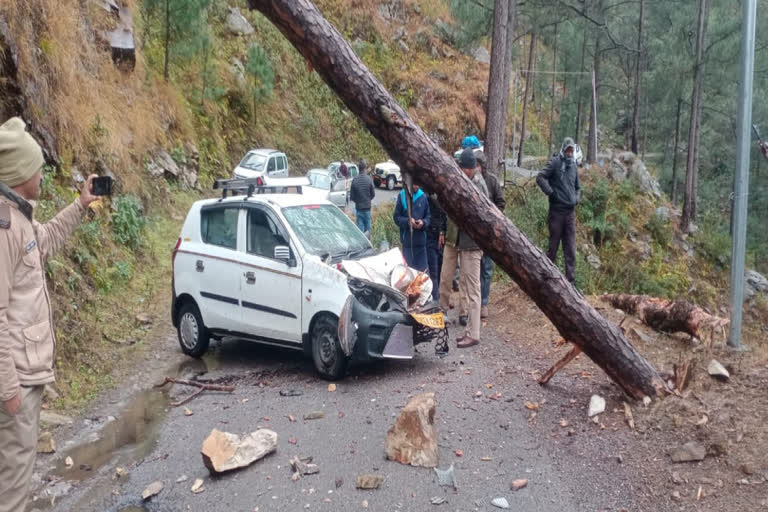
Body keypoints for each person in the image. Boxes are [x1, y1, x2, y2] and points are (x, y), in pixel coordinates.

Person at [0, 117, 99, 512]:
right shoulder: (5, 230)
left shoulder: (20, 217)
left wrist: (80, 205)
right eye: (37, 167)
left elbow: (46, 241)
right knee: (14, 483)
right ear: (20, 174)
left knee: (15, 473)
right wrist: (8, 388)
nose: (42, 174)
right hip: (16, 381)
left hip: (25, 374)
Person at [439, 148, 488, 348]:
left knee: (472, 289)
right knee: (465, 284)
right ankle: (469, 331)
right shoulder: (467, 181)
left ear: (469, 168)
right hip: (461, 240)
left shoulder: (479, 185)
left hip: (472, 243)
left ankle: (474, 333)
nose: (458, 168)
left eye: (461, 166)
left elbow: (482, 215)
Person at [536, 137, 581, 284]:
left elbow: (577, 187)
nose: (569, 153)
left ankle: (571, 284)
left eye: (571, 150)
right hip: (556, 213)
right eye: (567, 150)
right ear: (563, 149)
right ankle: (548, 281)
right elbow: (540, 177)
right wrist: (551, 192)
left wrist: (576, 198)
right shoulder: (555, 162)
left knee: (570, 250)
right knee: (553, 248)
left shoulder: (573, 166)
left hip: (570, 214)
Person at [475, 151, 506, 319]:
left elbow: (501, 202)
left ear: (482, 166)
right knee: (474, 271)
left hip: (489, 234)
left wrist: (494, 217)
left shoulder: (492, 181)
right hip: (474, 234)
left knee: (487, 270)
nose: (476, 168)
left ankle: (484, 304)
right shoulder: (470, 180)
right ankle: (473, 302)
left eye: (478, 165)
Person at [393, 182, 430, 271]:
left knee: (423, 275)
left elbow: (428, 217)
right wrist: (408, 221)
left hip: (421, 244)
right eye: (414, 183)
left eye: (418, 184)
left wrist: (423, 223)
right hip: (407, 243)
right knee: (408, 275)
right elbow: (396, 217)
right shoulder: (402, 196)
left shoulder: (423, 197)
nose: (416, 186)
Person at [426, 193, 446, 301]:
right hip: (431, 235)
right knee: (434, 270)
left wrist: (442, 232)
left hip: (439, 235)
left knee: (440, 268)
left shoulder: (440, 195)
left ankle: (438, 296)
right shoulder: (427, 196)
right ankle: (435, 297)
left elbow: (443, 214)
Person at [350, 159, 375, 235]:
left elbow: (352, 196)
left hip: (359, 209)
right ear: (365, 168)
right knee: (368, 231)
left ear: (358, 168)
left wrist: (358, 201)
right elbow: (373, 194)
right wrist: (367, 199)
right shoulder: (369, 179)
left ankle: (361, 246)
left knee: (360, 233)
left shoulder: (355, 180)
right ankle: (368, 246)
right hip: (367, 209)